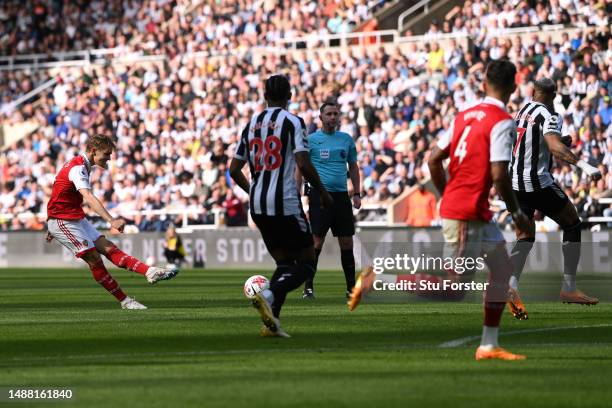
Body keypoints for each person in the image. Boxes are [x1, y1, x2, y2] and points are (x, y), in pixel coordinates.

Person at [351, 60, 531, 360]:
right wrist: (518, 214)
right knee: (454, 288)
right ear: (514, 86)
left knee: (501, 269)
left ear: (484, 82)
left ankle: (488, 345)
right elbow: (499, 175)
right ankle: (378, 280)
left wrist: (449, 193)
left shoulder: (464, 116)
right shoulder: (502, 120)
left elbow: (433, 159)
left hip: (472, 209)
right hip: (466, 212)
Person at [229, 74, 333, 338]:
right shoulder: (293, 122)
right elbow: (303, 162)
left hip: (259, 206)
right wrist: (322, 192)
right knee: (307, 264)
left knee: (285, 265)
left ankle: (271, 324)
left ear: (265, 96)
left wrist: (253, 191)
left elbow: (233, 169)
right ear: (290, 95)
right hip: (285, 203)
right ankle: (270, 293)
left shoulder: (251, 124)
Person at [45, 134, 178, 310]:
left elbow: (60, 192)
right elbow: (89, 197)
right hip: (64, 220)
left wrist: (51, 218)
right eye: (106, 154)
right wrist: (111, 220)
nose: (109, 158)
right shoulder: (77, 168)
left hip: (72, 217)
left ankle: (149, 271)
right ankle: (126, 301)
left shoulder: (81, 165)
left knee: (108, 248)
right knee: (94, 258)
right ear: (93, 151)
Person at [507, 78, 601, 320]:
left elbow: (536, 141)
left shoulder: (523, 110)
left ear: (533, 91)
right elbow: (553, 146)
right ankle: (569, 288)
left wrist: (560, 141)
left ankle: (510, 285)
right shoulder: (550, 115)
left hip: (515, 182)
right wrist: (584, 165)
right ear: (553, 95)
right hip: (537, 182)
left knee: (525, 237)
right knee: (572, 222)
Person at [300, 99, 361, 299]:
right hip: (319, 196)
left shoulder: (346, 139)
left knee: (347, 243)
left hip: (342, 197)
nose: (332, 117)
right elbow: (301, 166)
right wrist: (301, 192)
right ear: (321, 117)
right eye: (329, 114)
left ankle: (351, 288)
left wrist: (357, 192)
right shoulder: (311, 140)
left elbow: (353, 166)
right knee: (316, 242)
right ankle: (308, 287)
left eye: (335, 114)